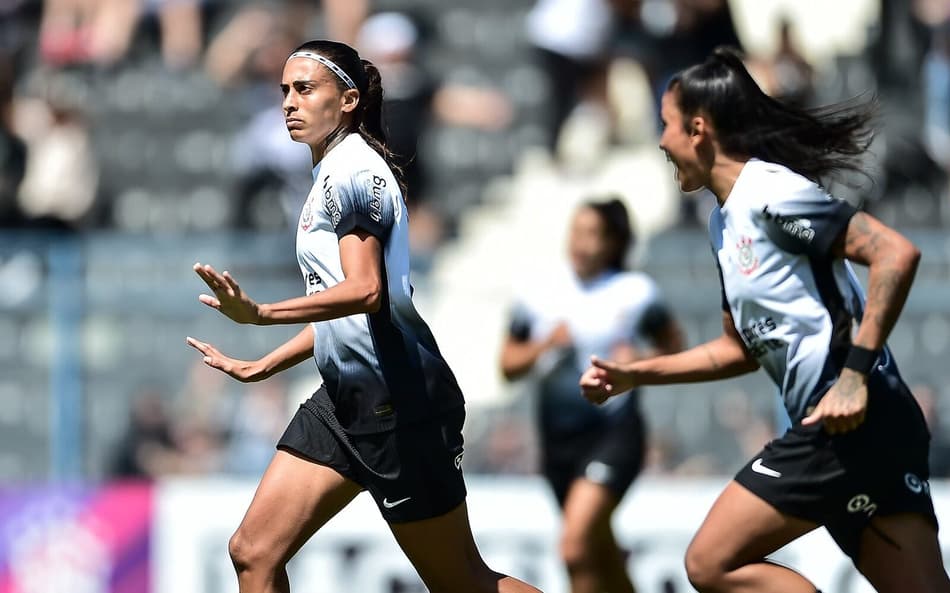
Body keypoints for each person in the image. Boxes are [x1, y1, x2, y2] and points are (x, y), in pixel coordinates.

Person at [580, 47, 950, 593]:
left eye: (666, 125)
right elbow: (737, 350)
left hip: (847, 418)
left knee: (712, 562)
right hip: (869, 427)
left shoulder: (771, 196)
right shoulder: (723, 224)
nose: (660, 141)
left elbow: (894, 253)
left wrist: (852, 379)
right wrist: (639, 375)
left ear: (698, 129)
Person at [185, 40, 542, 593]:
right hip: (345, 395)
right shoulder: (332, 171)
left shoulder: (352, 170)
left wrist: (261, 314)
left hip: (399, 399)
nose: (288, 102)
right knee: (253, 552)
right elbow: (348, 312)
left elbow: (366, 290)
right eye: (284, 91)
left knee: (462, 583)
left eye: (305, 89)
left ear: (348, 99)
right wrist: (268, 364)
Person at [501, 197, 684, 593]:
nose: (581, 243)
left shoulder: (636, 292)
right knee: (599, 550)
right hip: (558, 439)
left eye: (593, 234)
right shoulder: (538, 290)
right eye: (576, 231)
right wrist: (545, 345)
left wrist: (636, 362)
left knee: (574, 546)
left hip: (614, 432)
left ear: (613, 242)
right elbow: (508, 366)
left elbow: (675, 350)